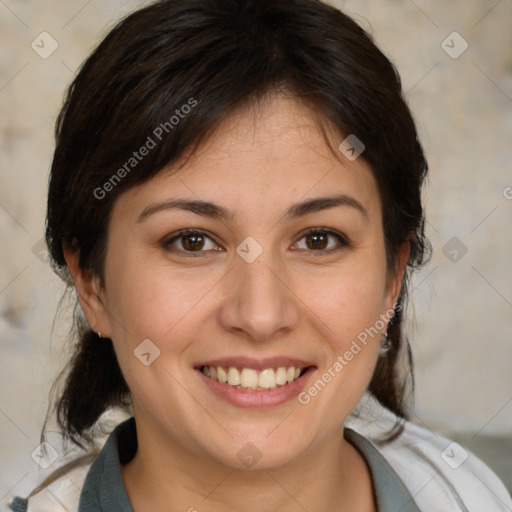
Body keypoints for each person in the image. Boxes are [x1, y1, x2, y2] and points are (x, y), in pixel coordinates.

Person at [5, 0, 511, 510]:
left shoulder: (473, 494)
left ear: (391, 279)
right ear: (92, 283)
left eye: (318, 239)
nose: (261, 315)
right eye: (192, 241)